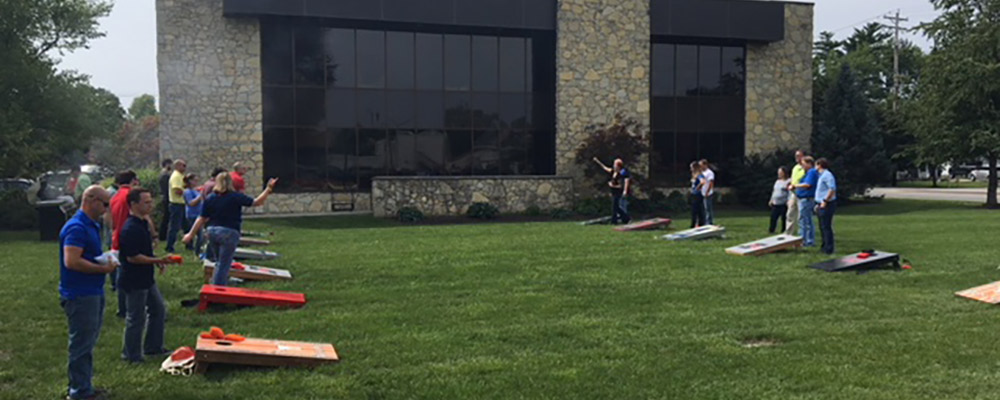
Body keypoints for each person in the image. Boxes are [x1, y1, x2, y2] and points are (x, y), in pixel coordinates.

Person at [59, 185, 117, 400]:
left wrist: (103, 259)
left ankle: (84, 385)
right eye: (104, 204)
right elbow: (72, 261)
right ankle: (79, 392)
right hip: (80, 293)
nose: (106, 208)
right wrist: (103, 269)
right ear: (90, 200)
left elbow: (87, 255)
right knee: (81, 345)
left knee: (87, 342)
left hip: (92, 290)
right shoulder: (77, 227)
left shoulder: (91, 225)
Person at [119, 188, 181, 363]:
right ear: (133, 205)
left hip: (146, 278)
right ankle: (131, 355)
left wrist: (156, 260)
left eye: (150, 201)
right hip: (134, 279)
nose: (150, 205)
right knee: (136, 318)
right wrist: (158, 260)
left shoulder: (142, 223)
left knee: (158, 310)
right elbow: (133, 257)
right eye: (146, 202)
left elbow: (144, 251)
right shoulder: (130, 228)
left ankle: (153, 348)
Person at [183, 173, 278, 285]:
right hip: (229, 232)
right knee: (224, 264)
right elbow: (257, 202)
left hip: (212, 231)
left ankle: (217, 283)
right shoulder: (235, 196)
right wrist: (268, 189)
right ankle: (218, 291)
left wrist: (190, 234)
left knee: (219, 262)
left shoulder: (211, 198)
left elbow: (202, 218)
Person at [108, 171, 139, 318]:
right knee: (126, 274)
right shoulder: (130, 195)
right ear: (133, 180)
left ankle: (123, 308)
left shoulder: (114, 196)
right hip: (128, 236)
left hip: (117, 236)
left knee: (121, 273)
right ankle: (125, 308)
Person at [592, 157, 631, 225]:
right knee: (616, 207)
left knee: (614, 207)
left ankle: (615, 221)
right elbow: (605, 168)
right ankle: (625, 218)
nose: (613, 165)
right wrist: (597, 161)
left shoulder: (621, 173)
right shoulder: (613, 171)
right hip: (613, 192)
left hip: (618, 192)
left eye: (615, 164)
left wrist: (612, 185)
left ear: (618, 166)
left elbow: (621, 185)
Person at [793, 156, 819, 247]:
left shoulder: (811, 172)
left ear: (809, 164)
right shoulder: (807, 173)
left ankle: (807, 240)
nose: (802, 166)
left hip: (807, 199)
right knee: (803, 220)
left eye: (803, 164)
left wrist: (796, 186)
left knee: (806, 221)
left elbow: (808, 184)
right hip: (802, 199)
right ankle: (803, 239)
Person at [814, 158, 838, 254]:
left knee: (826, 226)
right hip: (820, 203)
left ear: (820, 165)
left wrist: (825, 200)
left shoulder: (827, 175)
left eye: (816, 165)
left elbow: (831, 189)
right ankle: (824, 246)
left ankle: (829, 248)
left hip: (827, 203)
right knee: (822, 226)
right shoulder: (821, 176)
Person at [165, 160, 187, 253]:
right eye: (184, 165)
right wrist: (188, 193)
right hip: (176, 204)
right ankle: (169, 246)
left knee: (186, 226)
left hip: (181, 204)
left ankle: (188, 244)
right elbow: (177, 190)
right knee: (174, 226)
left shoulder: (180, 176)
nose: (185, 167)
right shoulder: (176, 176)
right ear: (178, 166)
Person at [182, 174, 206, 255]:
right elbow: (191, 203)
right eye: (195, 181)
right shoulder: (187, 191)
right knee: (200, 235)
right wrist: (200, 196)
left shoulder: (196, 190)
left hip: (198, 214)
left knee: (201, 235)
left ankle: (197, 249)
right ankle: (197, 251)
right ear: (190, 181)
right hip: (192, 215)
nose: (196, 182)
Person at [784, 150, 805, 235]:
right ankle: (788, 233)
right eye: (796, 156)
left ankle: (802, 234)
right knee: (790, 213)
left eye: (799, 156)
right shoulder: (795, 167)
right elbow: (793, 179)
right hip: (793, 193)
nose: (797, 158)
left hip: (802, 193)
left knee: (801, 215)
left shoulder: (806, 168)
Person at [768, 167, 791, 233]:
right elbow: (774, 191)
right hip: (775, 203)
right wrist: (771, 199)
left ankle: (784, 230)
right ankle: (771, 230)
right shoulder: (777, 181)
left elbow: (790, 192)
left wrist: (788, 200)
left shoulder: (789, 181)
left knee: (784, 218)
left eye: (780, 172)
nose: (779, 174)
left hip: (783, 203)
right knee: (773, 217)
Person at [157, 159, 173, 241]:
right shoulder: (165, 175)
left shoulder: (162, 174)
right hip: (167, 198)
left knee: (166, 217)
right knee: (166, 218)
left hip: (165, 197)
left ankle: (163, 235)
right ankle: (163, 236)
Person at [699, 159, 716, 225]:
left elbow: (711, 183)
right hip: (702, 192)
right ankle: (704, 221)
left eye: (701, 165)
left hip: (707, 193)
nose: (700, 167)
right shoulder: (702, 173)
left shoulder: (709, 173)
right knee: (703, 209)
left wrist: (707, 192)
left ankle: (709, 222)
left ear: (705, 165)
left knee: (708, 208)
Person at [689, 162, 705, 228]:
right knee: (694, 210)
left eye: (692, 167)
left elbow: (703, 181)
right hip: (694, 194)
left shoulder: (699, 175)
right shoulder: (694, 175)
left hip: (698, 194)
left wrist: (698, 188)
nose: (691, 169)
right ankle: (695, 223)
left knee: (697, 210)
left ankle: (699, 223)